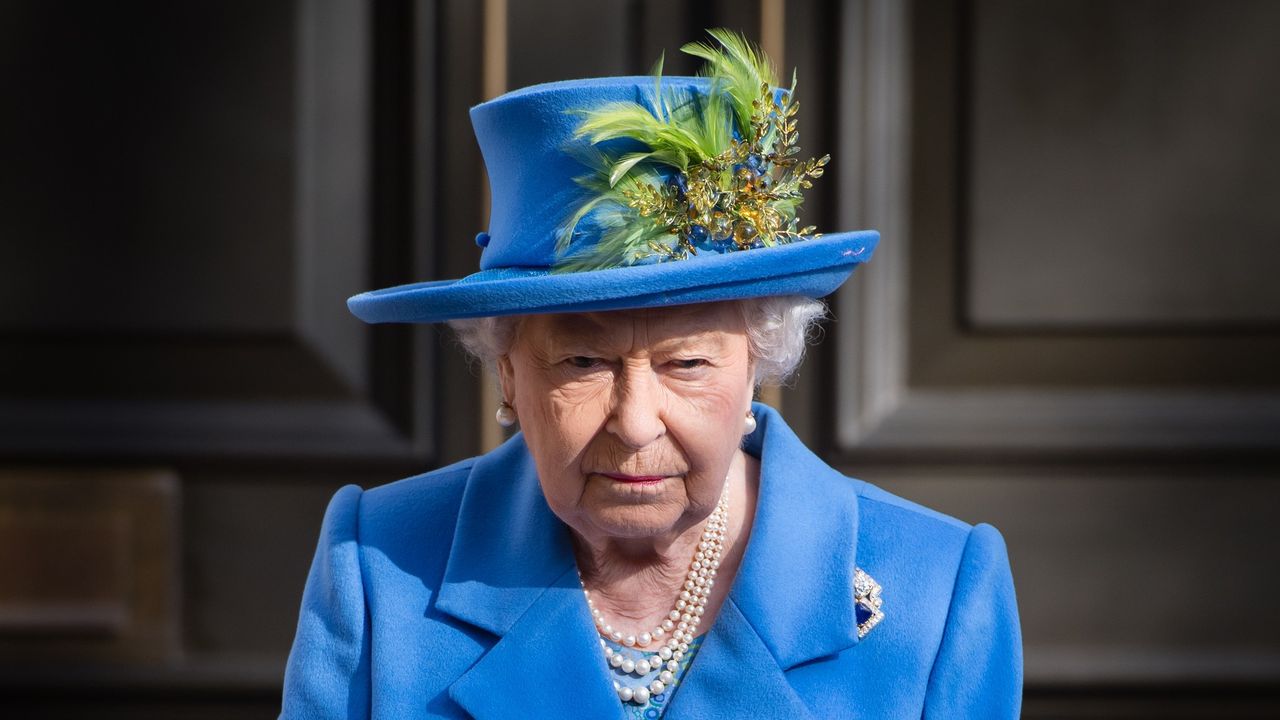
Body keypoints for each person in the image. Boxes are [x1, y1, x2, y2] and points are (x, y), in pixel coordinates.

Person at [280, 30, 1021, 719]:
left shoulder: (937, 592)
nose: (635, 422)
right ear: (506, 374)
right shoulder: (380, 565)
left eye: (688, 363)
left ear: (759, 359)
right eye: (583, 361)